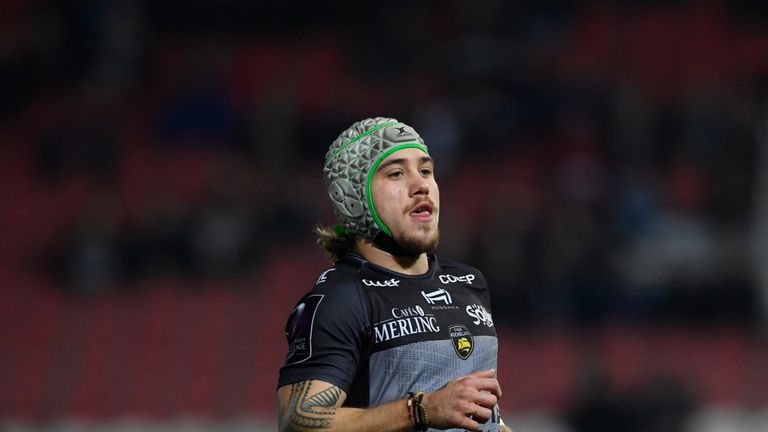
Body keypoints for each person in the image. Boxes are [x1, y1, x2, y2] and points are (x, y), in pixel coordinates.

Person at [277, 117, 512, 431]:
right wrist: (420, 410)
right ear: (354, 197)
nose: (421, 185)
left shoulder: (469, 283)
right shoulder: (340, 298)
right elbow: (299, 421)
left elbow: (481, 418)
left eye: (426, 170)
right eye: (396, 173)